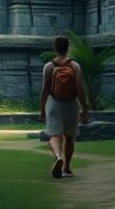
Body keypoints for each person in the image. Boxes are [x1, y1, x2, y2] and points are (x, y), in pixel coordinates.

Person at [39, 35, 89, 179]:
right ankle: (66, 168)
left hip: (54, 103)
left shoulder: (49, 66)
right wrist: (84, 109)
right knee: (69, 138)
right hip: (72, 104)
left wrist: (42, 109)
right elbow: (80, 89)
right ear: (68, 48)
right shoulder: (74, 66)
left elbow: (44, 90)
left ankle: (57, 156)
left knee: (55, 135)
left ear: (55, 48)